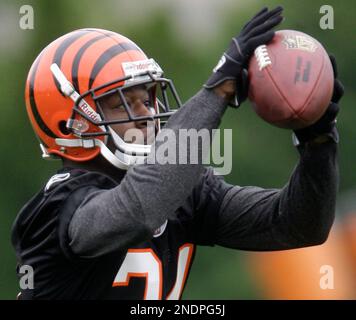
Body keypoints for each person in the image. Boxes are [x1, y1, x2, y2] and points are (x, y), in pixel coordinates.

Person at [12, 6, 344, 300]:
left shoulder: (185, 192)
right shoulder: (56, 209)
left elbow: (298, 225)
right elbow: (140, 208)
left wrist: (317, 141)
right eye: (122, 104)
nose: (145, 113)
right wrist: (216, 92)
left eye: (146, 97)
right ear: (74, 124)